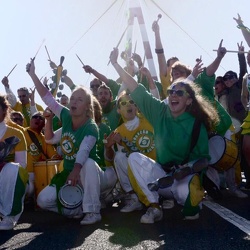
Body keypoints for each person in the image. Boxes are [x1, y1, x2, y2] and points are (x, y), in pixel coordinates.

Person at [109, 47, 219, 223]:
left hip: (183, 177)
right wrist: (115, 64)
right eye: (171, 92)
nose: (173, 94)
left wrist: (187, 170)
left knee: (190, 206)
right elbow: (135, 87)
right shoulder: (159, 111)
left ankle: (193, 196)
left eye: (179, 92)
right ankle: (154, 206)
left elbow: (204, 160)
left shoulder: (197, 124)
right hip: (161, 178)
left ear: (189, 100)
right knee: (134, 158)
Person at [26, 59, 116, 225]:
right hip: (69, 175)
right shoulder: (66, 116)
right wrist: (33, 74)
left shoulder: (91, 127)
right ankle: (78, 209)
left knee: (88, 163)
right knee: (43, 200)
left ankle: (93, 211)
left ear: (88, 106)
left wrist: (75, 171)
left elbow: (83, 150)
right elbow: (48, 101)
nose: (73, 101)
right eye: (73, 98)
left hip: (91, 175)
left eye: (79, 99)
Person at [104, 91, 156, 213]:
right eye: (123, 103)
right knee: (120, 157)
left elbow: (156, 98)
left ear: (136, 106)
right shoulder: (118, 132)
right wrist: (108, 148)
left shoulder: (148, 119)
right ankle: (134, 198)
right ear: (118, 110)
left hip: (155, 169)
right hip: (138, 172)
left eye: (131, 102)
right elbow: (114, 161)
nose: (128, 105)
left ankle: (161, 196)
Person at [0, 94, 28, 230]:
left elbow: (22, 165)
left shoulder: (17, 133)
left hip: (8, 177)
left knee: (13, 169)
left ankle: (9, 217)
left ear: (4, 111)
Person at [152, 18, 179, 95]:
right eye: (173, 66)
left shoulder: (187, 78)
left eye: (178, 65)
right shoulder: (166, 77)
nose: (176, 68)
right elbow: (160, 55)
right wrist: (157, 33)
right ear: (167, 69)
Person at [241, 51, 250, 189]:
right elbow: (244, 96)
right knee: (246, 148)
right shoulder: (246, 77)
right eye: (248, 57)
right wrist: (247, 108)